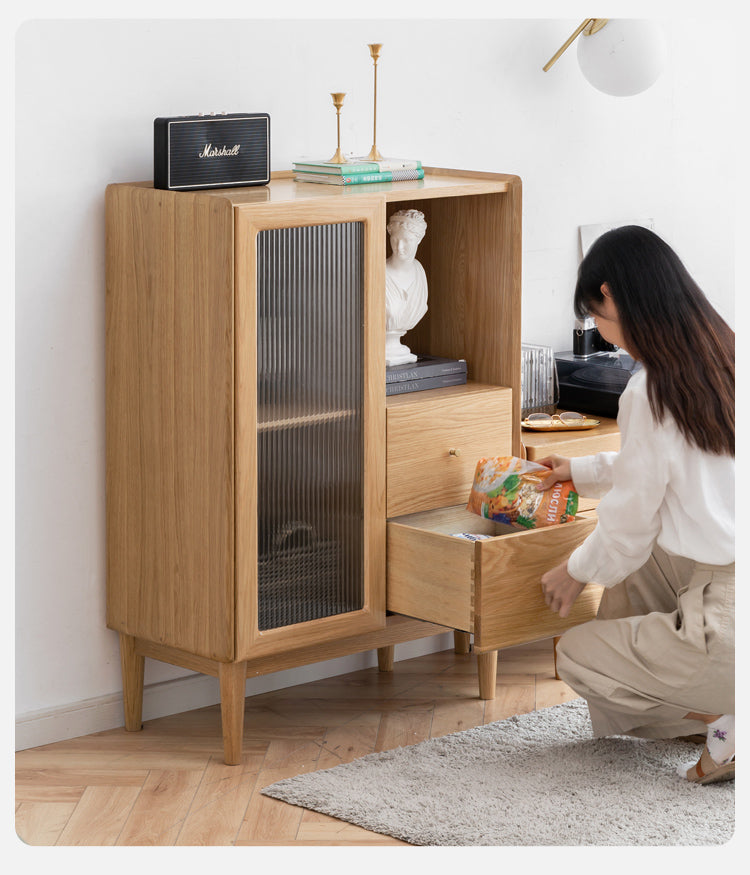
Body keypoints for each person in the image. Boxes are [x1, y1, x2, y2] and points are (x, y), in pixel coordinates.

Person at [537, 225, 735, 785]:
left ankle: (727, 724)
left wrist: (574, 570)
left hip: (727, 622)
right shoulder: (725, 358)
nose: (601, 332)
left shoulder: (650, 390)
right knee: (642, 563)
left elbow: (628, 524)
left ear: (610, 295)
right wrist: (580, 471)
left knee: (575, 653)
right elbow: (680, 467)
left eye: (594, 315)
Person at [385, 209, 428, 365]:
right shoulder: (379, 272)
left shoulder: (419, 270)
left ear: (419, 239)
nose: (399, 247)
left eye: (407, 240)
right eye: (395, 240)